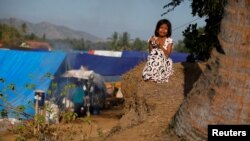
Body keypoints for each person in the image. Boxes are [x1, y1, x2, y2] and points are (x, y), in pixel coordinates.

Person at [142, 19, 174, 83]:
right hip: (154, 60)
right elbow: (151, 53)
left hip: (164, 61)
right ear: (157, 29)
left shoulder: (169, 40)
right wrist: (150, 43)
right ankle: (150, 75)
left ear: (168, 31)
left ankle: (156, 77)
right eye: (161, 28)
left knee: (158, 53)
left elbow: (167, 55)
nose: (163, 30)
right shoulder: (155, 39)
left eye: (165, 29)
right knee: (154, 53)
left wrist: (160, 46)